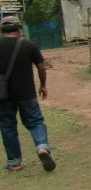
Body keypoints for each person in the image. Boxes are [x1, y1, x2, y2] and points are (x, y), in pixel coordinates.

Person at [0, 15, 55, 172]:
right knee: (35, 121)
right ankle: (42, 148)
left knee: (7, 126)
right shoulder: (29, 45)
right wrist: (43, 85)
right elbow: (41, 67)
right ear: (19, 29)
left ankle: (15, 162)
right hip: (27, 94)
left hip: (3, 96)